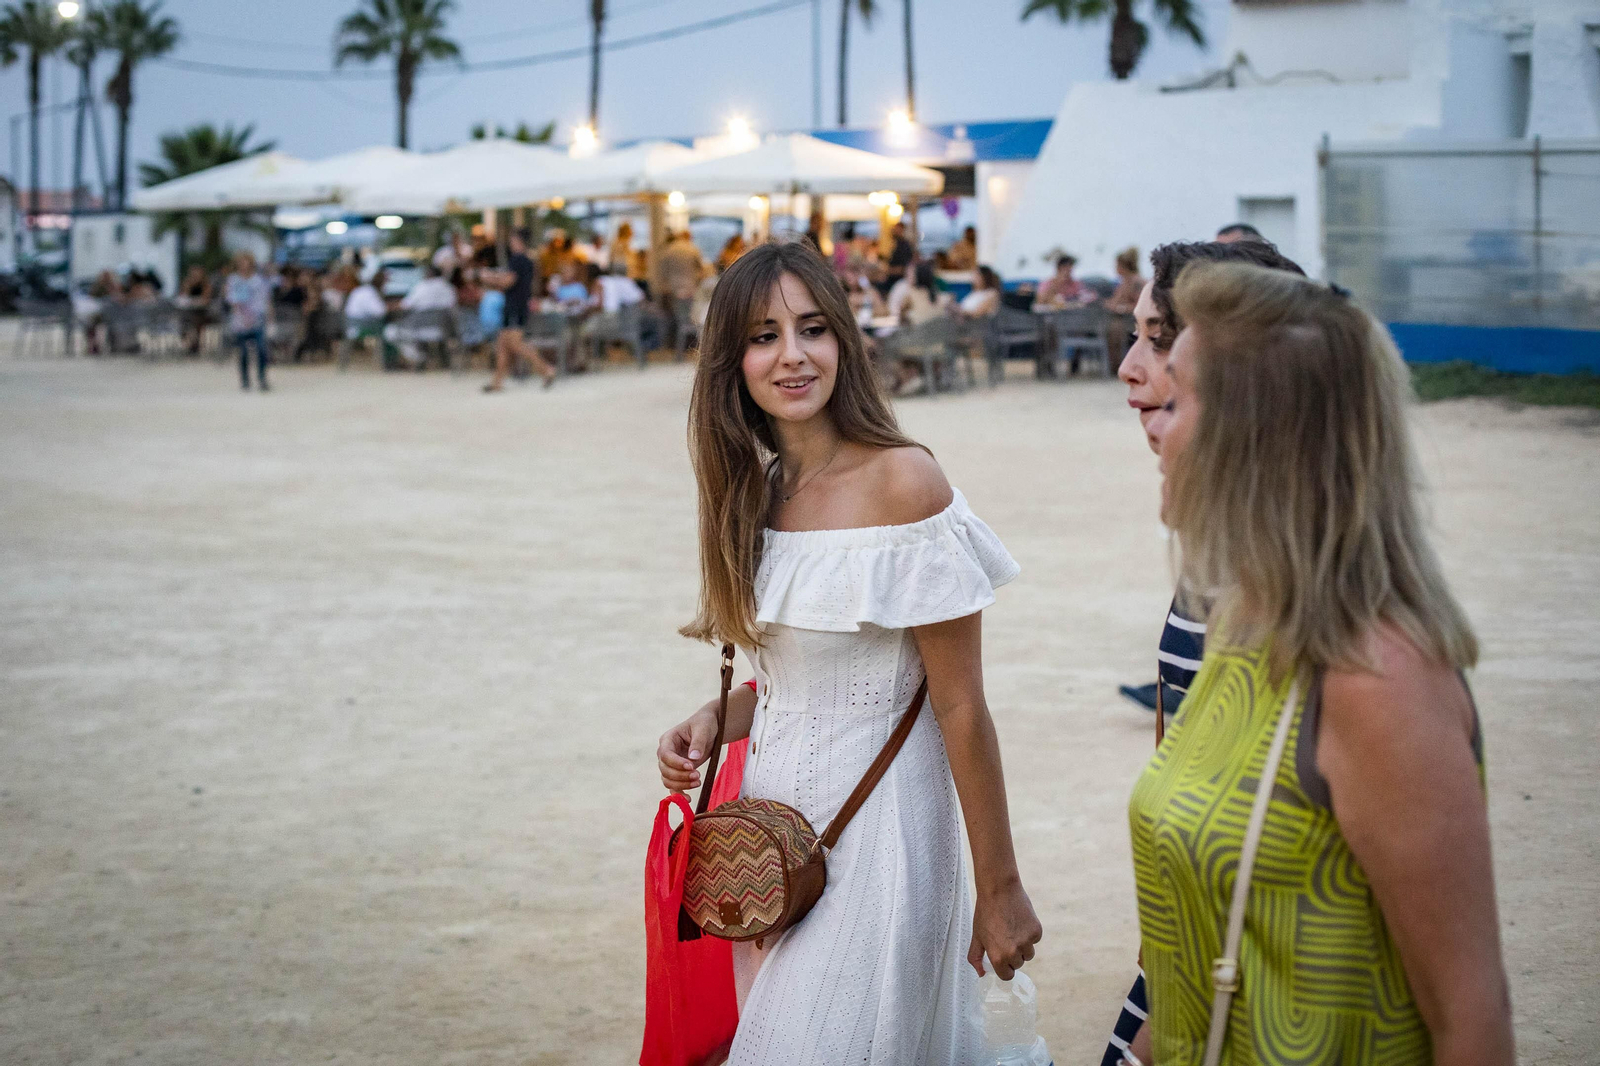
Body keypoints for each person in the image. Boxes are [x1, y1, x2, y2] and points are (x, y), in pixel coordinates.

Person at [656, 240, 1041, 1065]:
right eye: (763, 336)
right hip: (770, 850)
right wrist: (709, 720)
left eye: (813, 328)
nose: (793, 356)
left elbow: (961, 704)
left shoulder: (906, 482)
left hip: (883, 835)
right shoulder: (753, 496)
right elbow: (799, 682)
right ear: (731, 361)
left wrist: (1000, 886)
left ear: (844, 341)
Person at [1133, 260, 1513, 1065]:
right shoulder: (1239, 622)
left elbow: (1470, 1020)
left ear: (1260, 439)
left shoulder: (1378, 680)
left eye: (1180, 400)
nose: (1155, 425)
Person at [1102, 236, 1305, 1066]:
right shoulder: (1214, 561)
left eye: (1159, 339)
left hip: (1268, 985)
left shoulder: (1300, 593)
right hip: (1191, 961)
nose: (1129, 367)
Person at [483, 229, 557, 392]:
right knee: (503, 343)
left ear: (518, 240)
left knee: (515, 343)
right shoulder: (529, 260)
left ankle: (546, 369)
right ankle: (497, 382)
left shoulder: (517, 259)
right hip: (518, 305)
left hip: (515, 306)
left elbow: (508, 282)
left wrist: (489, 278)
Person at [224, 252, 272, 391]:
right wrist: (242, 313)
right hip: (240, 320)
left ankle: (262, 378)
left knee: (261, 349)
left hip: (257, 319)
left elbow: (264, 300)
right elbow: (231, 299)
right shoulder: (233, 280)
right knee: (243, 351)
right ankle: (245, 379)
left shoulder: (258, 280)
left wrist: (263, 315)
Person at [657, 229, 707, 350]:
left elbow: (662, 271)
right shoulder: (692, 249)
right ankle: (690, 346)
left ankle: (675, 346)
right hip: (690, 287)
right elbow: (701, 269)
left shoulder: (669, 250)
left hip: (672, 288)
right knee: (692, 316)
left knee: (676, 319)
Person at [176, 266, 213, 355]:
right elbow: (184, 297)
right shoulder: (188, 284)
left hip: (203, 313)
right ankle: (189, 343)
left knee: (197, 321)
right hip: (189, 312)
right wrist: (188, 286)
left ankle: (195, 345)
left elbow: (206, 300)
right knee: (182, 321)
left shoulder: (206, 285)